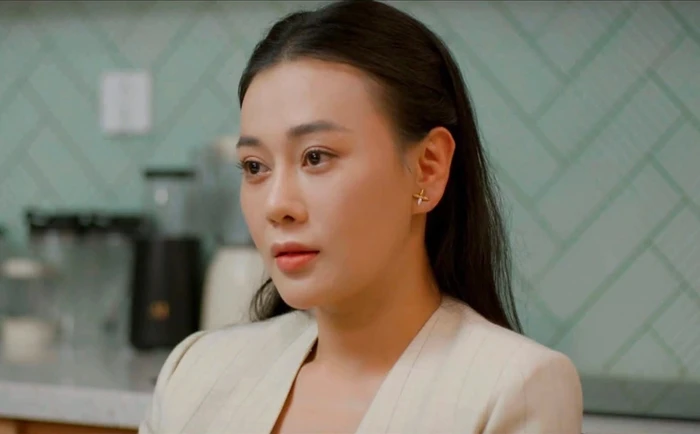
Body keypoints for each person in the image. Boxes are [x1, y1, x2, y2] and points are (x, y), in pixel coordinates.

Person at [139, 1, 583, 433]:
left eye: (316, 157)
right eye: (255, 166)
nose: (276, 205)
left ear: (428, 167)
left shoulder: (513, 390)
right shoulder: (194, 375)